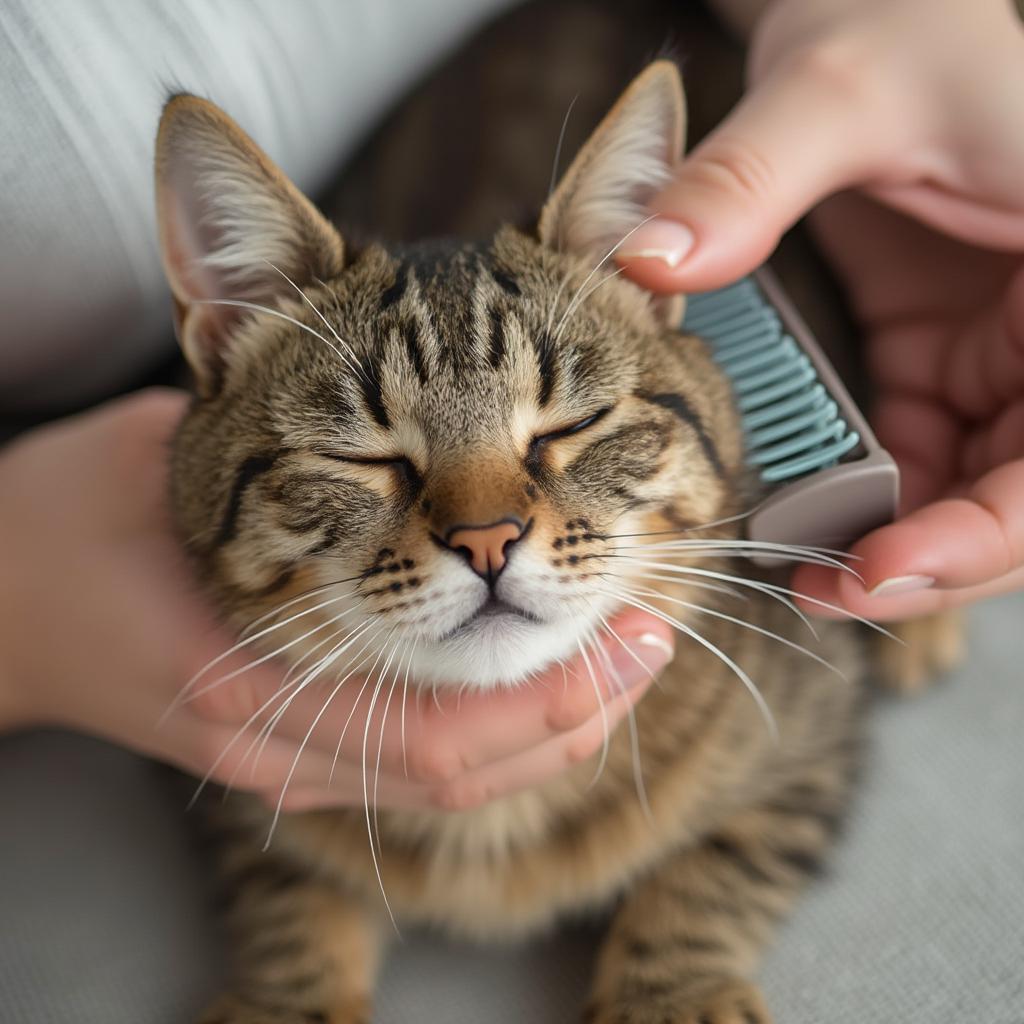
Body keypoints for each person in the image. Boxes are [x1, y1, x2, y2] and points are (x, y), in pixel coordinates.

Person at [0, 0, 1022, 1019]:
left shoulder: (725, 679)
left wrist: (680, 966)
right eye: (366, 455)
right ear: (224, 339)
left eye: (561, 435)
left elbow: (790, 772)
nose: (486, 531)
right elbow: (255, 835)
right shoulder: (245, 695)